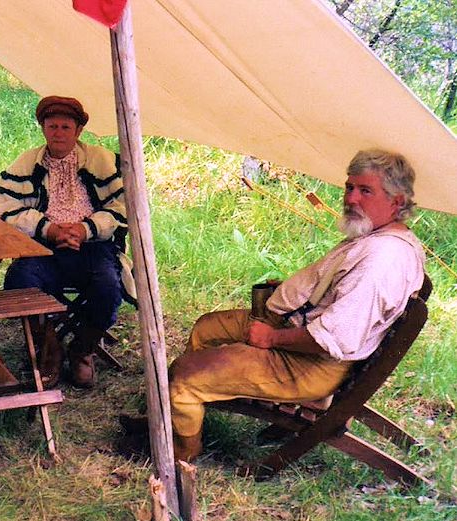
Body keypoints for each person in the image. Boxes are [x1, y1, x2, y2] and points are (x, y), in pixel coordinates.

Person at [168, 149, 425, 462]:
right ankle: (180, 416)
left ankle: (179, 454)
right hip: (299, 333)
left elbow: (334, 338)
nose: (351, 198)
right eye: (349, 187)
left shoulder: (383, 260)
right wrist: (299, 294)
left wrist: (271, 339)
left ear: (397, 202)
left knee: (184, 376)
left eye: (365, 190)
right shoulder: (379, 235)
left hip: (310, 363)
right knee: (208, 327)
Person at [0, 96, 135, 389]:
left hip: (92, 245)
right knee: (21, 280)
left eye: (65, 127)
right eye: (52, 126)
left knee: (108, 286)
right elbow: (6, 209)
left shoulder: (101, 160)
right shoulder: (27, 162)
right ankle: (50, 345)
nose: (58, 132)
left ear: (78, 131)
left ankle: (82, 348)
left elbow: (123, 207)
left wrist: (85, 229)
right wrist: (49, 229)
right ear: (43, 128)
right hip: (44, 245)